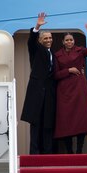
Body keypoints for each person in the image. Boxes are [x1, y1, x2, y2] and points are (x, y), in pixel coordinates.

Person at [53, 24, 87, 154]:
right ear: (63, 42)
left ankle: (79, 150)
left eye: (71, 40)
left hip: (79, 89)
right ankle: (70, 151)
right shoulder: (57, 55)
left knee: (81, 120)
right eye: (67, 40)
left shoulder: (80, 51)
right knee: (66, 120)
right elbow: (55, 75)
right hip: (64, 91)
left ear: (74, 41)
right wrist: (68, 70)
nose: (69, 42)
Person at [21, 12, 57, 154]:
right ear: (41, 40)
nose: (48, 40)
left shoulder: (52, 53)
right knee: (35, 124)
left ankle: (47, 152)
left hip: (48, 94)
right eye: (46, 38)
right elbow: (31, 41)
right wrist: (37, 27)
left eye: (50, 38)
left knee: (47, 124)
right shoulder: (36, 50)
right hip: (36, 93)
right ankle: (34, 153)